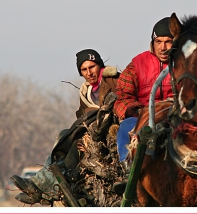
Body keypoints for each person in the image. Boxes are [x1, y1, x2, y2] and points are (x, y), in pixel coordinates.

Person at [10, 49, 119, 205]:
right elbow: (82, 117)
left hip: (109, 132)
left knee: (69, 140)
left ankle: (41, 186)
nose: (89, 72)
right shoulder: (86, 91)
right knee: (64, 135)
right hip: (91, 132)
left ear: (100, 66)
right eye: (84, 69)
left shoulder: (112, 81)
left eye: (92, 67)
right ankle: (41, 186)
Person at [113, 17, 174, 194]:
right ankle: (128, 170)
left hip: (175, 117)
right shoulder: (137, 64)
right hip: (142, 117)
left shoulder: (185, 64)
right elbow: (122, 97)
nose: (163, 47)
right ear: (152, 43)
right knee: (125, 127)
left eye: (168, 42)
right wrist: (135, 110)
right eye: (159, 42)